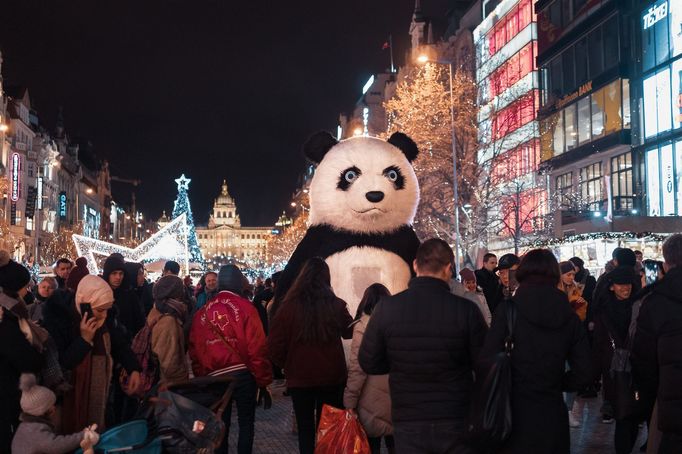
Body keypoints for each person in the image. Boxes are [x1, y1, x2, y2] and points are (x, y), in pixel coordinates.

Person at [359, 239, 487, 454]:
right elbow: (485, 363)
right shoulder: (466, 311)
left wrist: (398, 361)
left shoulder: (387, 308)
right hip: (455, 416)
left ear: (415, 265)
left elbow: (369, 361)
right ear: (448, 268)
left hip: (408, 418)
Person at [477, 249, 591, 454]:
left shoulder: (508, 310)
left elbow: (487, 358)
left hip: (513, 412)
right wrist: (560, 382)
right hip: (552, 412)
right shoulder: (568, 314)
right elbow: (585, 370)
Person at [268, 257, 353, 454]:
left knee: (305, 429)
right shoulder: (336, 305)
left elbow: (274, 344)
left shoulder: (288, 307)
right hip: (331, 376)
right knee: (329, 427)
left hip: (300, 377)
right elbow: (348, 332)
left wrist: (286, 364)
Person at [42, 275, 142, 433]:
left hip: (100, 397)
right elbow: (61, 365)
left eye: (107, 310)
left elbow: (119, 344)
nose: (104, 315)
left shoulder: (104, 320)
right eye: (100, 310)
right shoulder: (58, 321)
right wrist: (84, 340)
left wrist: (133, 368)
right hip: (68, 399)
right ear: (84, 303)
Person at [189, 264, 272, 454]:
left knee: (220, 425)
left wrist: (203, 376)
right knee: (246, 423)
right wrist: (263, 379)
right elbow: (257, 347)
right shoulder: (246, 308)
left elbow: (195, 349)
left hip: (216, 376)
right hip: (243, 375)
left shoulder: (202, 312)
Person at [632, 233, 682, 454]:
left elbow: (644, 360)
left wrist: (648, 397)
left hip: (670, 401)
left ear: (666, 263)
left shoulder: (654, 302)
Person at [592, 266, 641, 453]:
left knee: (634, 415)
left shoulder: (639, 306)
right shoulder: (603, 311)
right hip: (613, 369)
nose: (625, 288)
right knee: (622, 414)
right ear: (611, 287)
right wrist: (595, 375)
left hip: (637, 367)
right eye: (620, 284)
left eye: (627, 284)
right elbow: (598, 345)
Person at [0, 251, 44, 451]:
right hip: (7, 400)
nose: (28, 291)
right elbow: (27, 360)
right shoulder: (8, 320)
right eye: (25, 287)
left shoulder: (10, 316)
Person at [344, 283, 394, 454]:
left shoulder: (363, 326)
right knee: (396, 444)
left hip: (370, 399)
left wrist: (349, 401)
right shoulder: (399, 323)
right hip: (397, 395)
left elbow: (358, 368)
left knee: (372, 445)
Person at [11, 373, 100, 454]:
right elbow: (58, 445)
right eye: (51, 405)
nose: (54, 408)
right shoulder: (35, 431)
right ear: (41, 411)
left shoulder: (25, 426)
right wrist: (83, 436)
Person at [558, 261, 589, 428]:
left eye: (572, 275)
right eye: (568, 274)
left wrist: (578, 306)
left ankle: (568, 410)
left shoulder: (575, 289)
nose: (571, 278)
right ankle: (560, 408)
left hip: (571, 338)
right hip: (556, 339)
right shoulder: (554, 291)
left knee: (571, 371)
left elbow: (581, 315)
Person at [148, 275, 189, 386]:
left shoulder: (158, 311)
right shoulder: (168, 321)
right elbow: (168, 363)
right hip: (169, 387)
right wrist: (181, 382)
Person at [103, 254, 145, 338]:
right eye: (114, 273)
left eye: (121, 273)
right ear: (108, 274)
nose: (118, 277)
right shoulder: (101, 294)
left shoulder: (129, 295)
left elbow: (138, 321)